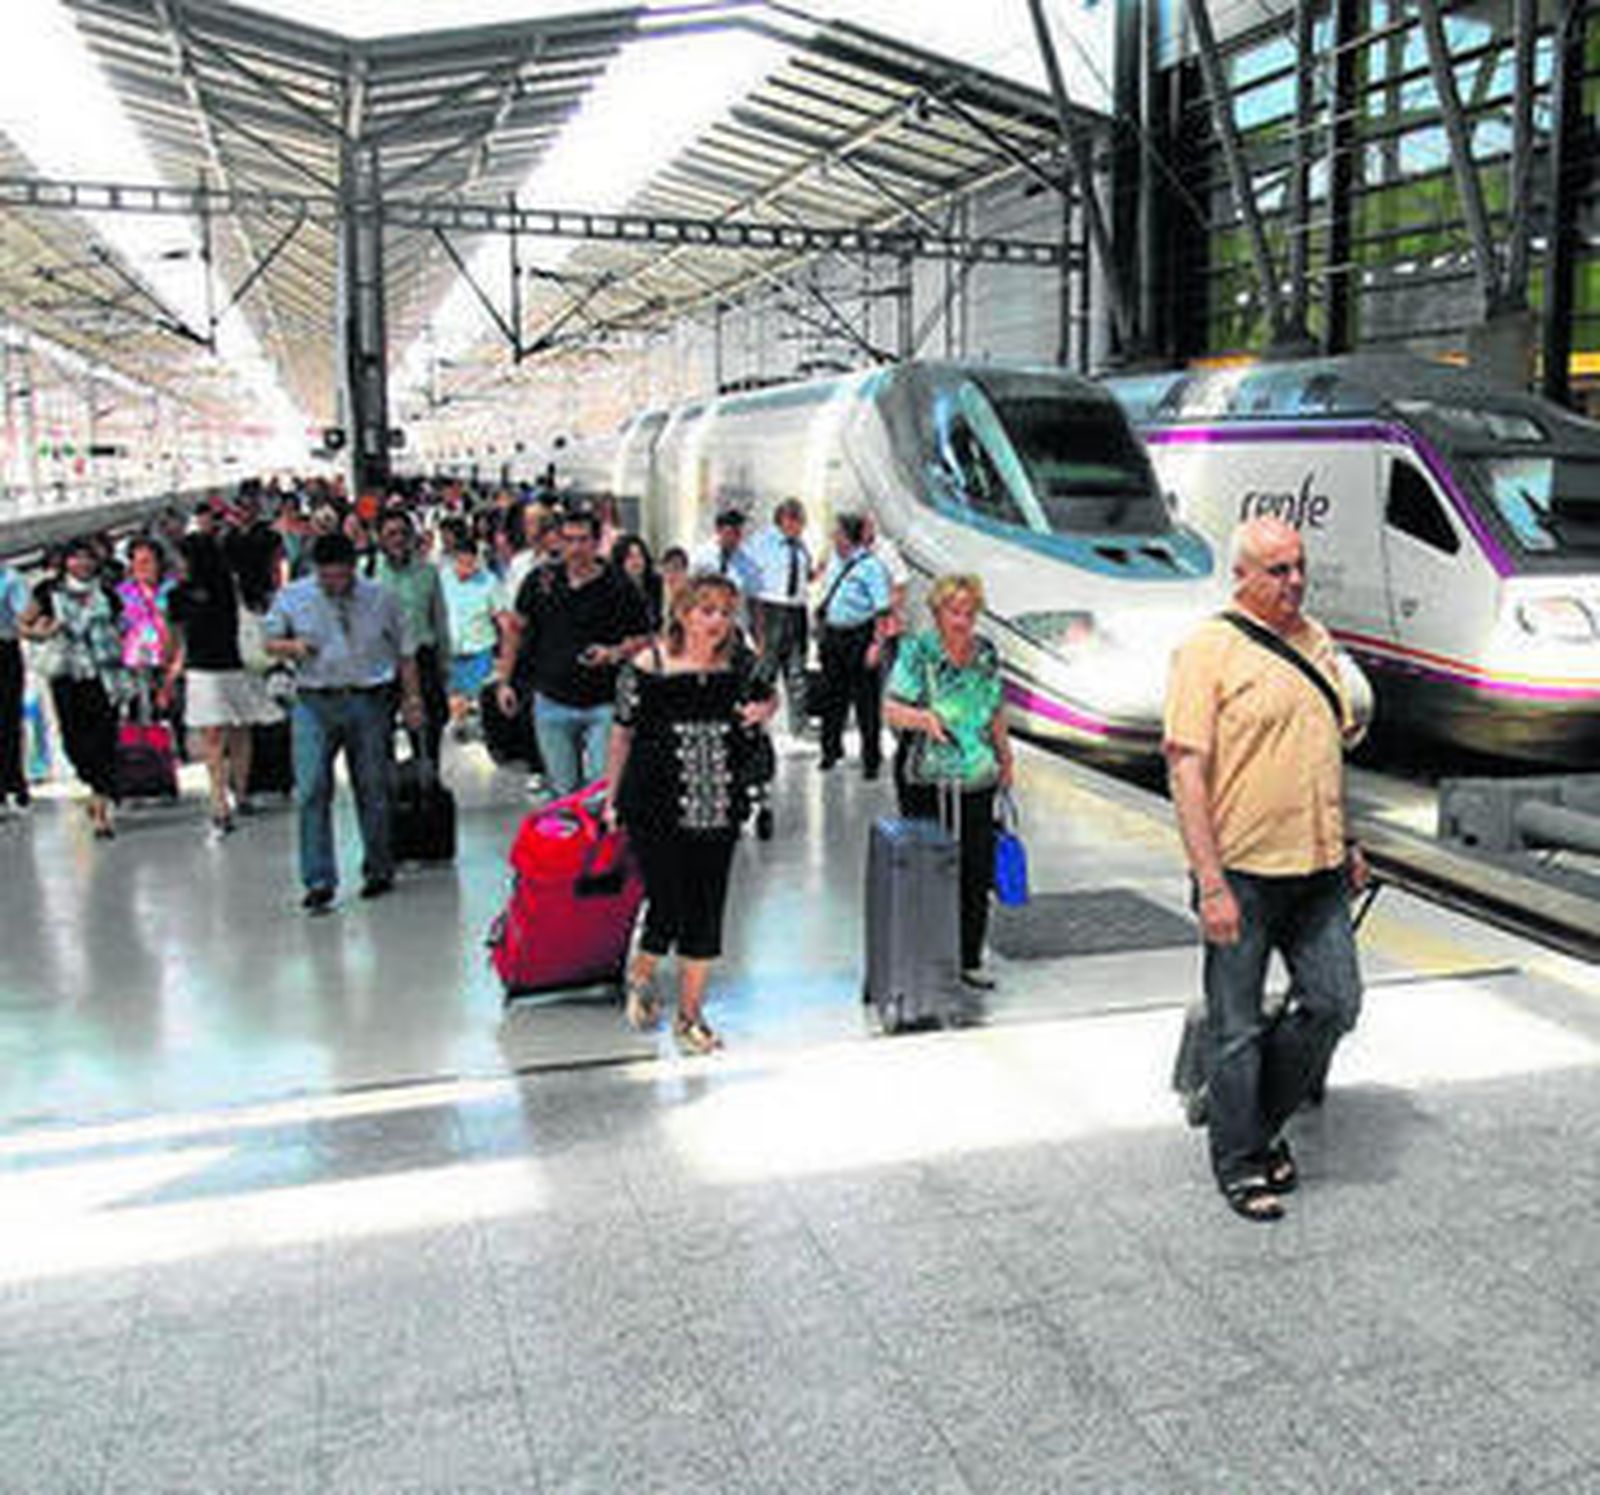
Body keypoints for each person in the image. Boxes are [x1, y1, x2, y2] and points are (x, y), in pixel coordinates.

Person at [1164, 515, 1366, 1223]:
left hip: (1319, 869)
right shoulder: (1206, 650)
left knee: (1334, 1003)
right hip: (1242, 874)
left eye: (1300, 566)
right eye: (1279, 570)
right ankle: (1239, 1160)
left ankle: (1253, 1125)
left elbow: (1326, 750)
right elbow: (1186, 772)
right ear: (1242, 576)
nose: (1295, 581)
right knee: (1237, 1029)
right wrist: (1211, 883)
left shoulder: (1317, 641)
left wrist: (1349, 838)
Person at [603, 573, 776, 1054]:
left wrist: (766, 709)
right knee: (668, 902)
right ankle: (641, 973)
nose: (717, 622)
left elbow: (767, 696)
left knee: (706, 907)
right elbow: (622, 732)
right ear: (682, 613)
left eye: (725, 612)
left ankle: (690, 1016)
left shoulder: (740, 663)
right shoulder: (647, 665)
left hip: (718, 802)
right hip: (654, 803)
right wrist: (612, 797)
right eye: (706, 610)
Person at [264, 532, 424, 911]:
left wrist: (412, 699)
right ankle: (318, 879)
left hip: (369, 699)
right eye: (327, 577)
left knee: (373, 786)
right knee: (311, 789)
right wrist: (292, 647)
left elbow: (405, 652)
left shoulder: (381, 597)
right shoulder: (293, 596)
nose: (335, 584)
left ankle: (379, 867)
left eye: (341, 576)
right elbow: (268, 641)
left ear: (354, 568)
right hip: (313, 701)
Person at [884, 573, 1015, 990]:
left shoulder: (985, 653)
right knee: (931, 868)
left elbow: (995, 707)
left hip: (977, 775)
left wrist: (1005, 756)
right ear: (937, 612)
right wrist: (924, 719)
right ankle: (929, 957)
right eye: (953, 612)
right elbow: (891, 709)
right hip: (927, 778)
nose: (961, 621)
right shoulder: (917, 652)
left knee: (976, 868)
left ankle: (968, 957)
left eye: (969, 612)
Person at [495, 509, 651, 798]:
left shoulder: (619, 585)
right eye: (568, 540)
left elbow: (645, 639)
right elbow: (515, 630)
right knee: (563, 790)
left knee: (601, 790)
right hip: (551, 700)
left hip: (603, 703)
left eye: (583, 540)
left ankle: (597, 826)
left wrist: (614, 652)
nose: (576, 548)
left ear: (597, 542)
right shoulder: (540, 581)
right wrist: (505, 681)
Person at [167, 532, 279, 837]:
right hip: (216, 669)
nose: (178, 564)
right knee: (228, 732)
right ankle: (223, 799)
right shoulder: (228, 586)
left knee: (227, 733)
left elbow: (175, 636)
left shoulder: (193, 593)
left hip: (222, 667)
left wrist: (173, 665)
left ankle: (234, 794)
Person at [18, 539, 123, 838]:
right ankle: (93, 782)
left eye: (87, 558)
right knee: (74, 741)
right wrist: (42, 633)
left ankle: (101, 806)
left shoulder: (106, 593)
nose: (82, 564)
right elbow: (23, 624)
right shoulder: (48, 592)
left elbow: (122, 626)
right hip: (66, 674)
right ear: (65, 563)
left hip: (104, 675)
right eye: (76, 558)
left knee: (104, 737)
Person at [368, 509, 450, 764]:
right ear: (379, 538)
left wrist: (444, 664)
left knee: (429, 731)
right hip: (382, 661)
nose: (398, 540)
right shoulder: (367, 573)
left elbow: (439, 619)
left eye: (403, 533)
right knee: (379, 734)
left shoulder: (428, 572)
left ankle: (427, 776)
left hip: (422, 656)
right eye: (391, 534)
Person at [816, 511, 892, 779]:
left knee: (865, 702)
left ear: (848, 537)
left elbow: (882, 612)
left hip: (860, 636)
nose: (833, 537)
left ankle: (870, 759)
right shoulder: (833, 560)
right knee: (831, 697)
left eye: (837, 533)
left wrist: (876, 645)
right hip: (833, 635)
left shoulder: (872, 567)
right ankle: (829, 751)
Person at [747, 498, 814, 734]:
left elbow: (803, 575)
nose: (799, 526)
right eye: (795, 520)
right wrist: (755, 626)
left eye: (802, 521)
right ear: (783, 520)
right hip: (771, 608)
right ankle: (755, 720)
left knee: (797, 668)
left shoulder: (801, 546)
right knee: (766, 668)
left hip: (797, 609)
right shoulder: (762, 542)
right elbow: (751, 582)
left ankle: (799, 724)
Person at [439, 539, 510, 738]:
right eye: (462, 563)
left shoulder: (489, 581)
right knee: (455, 696)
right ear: (454, 560)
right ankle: (459, 730)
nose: (467, 569)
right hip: (451, 649)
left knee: (479, 696)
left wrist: (506, 651)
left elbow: (502, 617)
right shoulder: (443, 578)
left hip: (480, 648)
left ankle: (480, 733)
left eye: (471, 564)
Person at [114, 539, 174, 721]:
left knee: (173, 712)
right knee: (142, 714)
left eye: (148, 561)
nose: (142, 567)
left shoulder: (172, 589)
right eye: (137, 562)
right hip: (138, 662)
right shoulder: (123, 593)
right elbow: (118, 627)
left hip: (171, 658)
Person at [692, 507, 763, 638]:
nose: (736, 537)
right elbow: (690, 590)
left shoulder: (748, 565)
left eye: (739, 533)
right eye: (731, 532)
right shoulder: (701, 557)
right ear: (718, 530)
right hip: (704, 625)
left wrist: (759, 636)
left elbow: (755, 603)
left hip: (735, 628)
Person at [0, 557, 36, 809]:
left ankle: (13, 780)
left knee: (7, 717)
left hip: (3, 649)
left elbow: (25, 614)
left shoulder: (10, 578)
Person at [611, 534, 663, 630]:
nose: (636, 561)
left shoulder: (655, 583)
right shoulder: (614, 588)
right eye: (630, 557)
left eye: (639, 556)